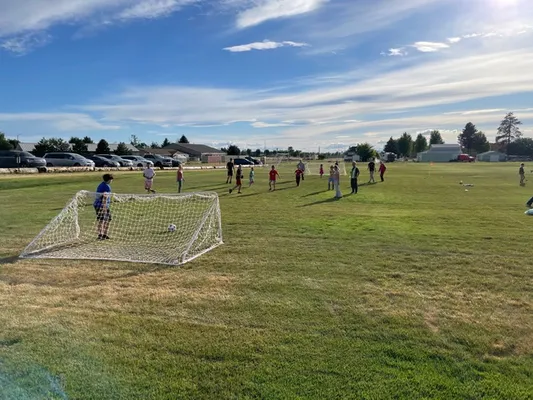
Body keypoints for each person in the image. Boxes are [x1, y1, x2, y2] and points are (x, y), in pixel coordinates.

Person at [94, 174, 113, 240]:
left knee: (107, 219)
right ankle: (101, 234)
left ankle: (104, 234)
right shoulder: (106, 186)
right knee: (102, 220)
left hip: (100, 205)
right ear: (109, 180)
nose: (111, 181)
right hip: (101, 205)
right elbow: (104, 197)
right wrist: (104, 207)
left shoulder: (101, 184)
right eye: (111, 179)